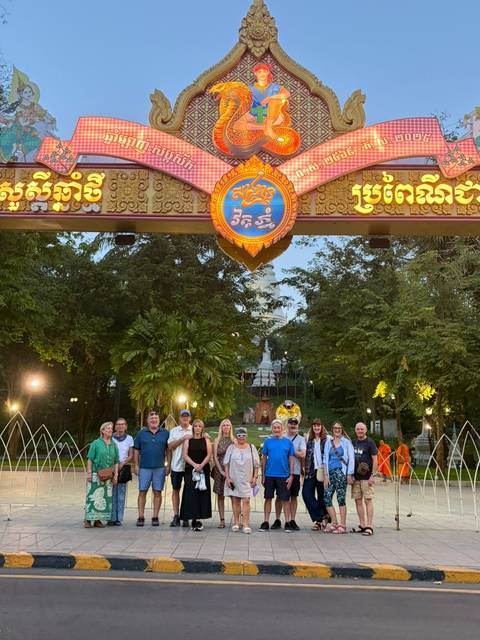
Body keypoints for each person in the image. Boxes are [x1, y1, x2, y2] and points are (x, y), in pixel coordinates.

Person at [133, 411, 170, 527]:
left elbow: (168, 450)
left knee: (157, 492)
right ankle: (141, 516)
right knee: (142, 491)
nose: (154, 420)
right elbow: (136, 450)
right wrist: (136, 465)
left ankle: (155, 516)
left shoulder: (165, 433)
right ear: (147, 420)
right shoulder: (141, 433)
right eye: (151, 418)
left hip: (159, 468)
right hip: (144, 467)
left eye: (156, 418)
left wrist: (168, 465)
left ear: (159, 420)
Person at [235, 63, 291, 139]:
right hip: (258, 114)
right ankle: (265, 128)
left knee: (275, 100)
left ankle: (268, 127)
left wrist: (271, 98)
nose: (262, 74)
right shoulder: (250, 88)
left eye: (264, 71)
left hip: (272, 115)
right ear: (255, 73)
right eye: (259, 72)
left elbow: (287, 94)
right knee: (237, 125)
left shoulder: (275, 87)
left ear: (267, 72)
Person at [259, 419, 295, 532]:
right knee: (268, 498)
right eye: (274, 427)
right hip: (269, 475)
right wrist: (263, 475)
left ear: (282, 429)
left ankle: (287, 522)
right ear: (272, 429)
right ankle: (265, 522)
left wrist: (291, 475)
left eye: (278, 427)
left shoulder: (288, 443)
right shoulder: (268, 442)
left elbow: (291, 459)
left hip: (284, 475)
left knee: (285, 499)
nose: (276, 429)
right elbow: (264, 459)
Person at [271, 417, 306, 531]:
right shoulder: (283, 437)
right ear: (287, 425)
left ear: (297, 426)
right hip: (281, 471)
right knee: (280, 497)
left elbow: (302, 454)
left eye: (295, 424)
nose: (293, 426)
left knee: (293, 496)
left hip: (295, 471)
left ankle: (292, 520)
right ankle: (277, 519)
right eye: (291, 424)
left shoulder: (300, 439)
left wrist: (290, 449)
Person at [224, 427, 260, 534]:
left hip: (247, 478)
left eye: (243, 435)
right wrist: (227, 477)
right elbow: (226, 463)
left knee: (246, 500)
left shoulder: (251, 447)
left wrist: (255, 477)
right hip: (234, 477)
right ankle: (236, 522)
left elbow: (256, 464)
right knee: (235, 501)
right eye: (239, 435)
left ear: (246, 436)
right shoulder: (231, 448)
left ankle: (245, 524)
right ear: (236, 436)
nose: (241, 437)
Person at [84, 422, 119, 528]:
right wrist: (89, 473)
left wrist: (116, 475)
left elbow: (116, 461)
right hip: (95, 474)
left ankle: (98, 520)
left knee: (104, 497)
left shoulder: (114, 444)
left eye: (111, 428)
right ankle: (87, 519)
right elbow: (90, 458)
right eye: (108, 428)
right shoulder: (96, 443)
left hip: (108, 475)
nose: (110, 430)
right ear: (102, 431)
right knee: (92, 497)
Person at [180, 418, 213, 531]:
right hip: (191, 470)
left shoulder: (206, 440)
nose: (197, 428)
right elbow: (185, 455)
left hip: (203, 470)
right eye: (196, 426)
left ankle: (199, 518)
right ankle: (192, 517)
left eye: (200, 426)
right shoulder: (188, 440)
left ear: (202, 428)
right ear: (192, 427)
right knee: (191, 494)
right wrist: (195, 465)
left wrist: (201, 465)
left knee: (201, 494)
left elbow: (209, 454)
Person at [322, 421, 355, 534]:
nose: (337, 430)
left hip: (341, 472)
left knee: (340, 499)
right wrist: (325, 475)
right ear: (332, 429)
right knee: (327, 498)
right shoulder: (328, 443)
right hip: (330, 473)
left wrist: (349, 474)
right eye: (335, 428)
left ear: (342, 429)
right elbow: (325, 459)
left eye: (339, 428)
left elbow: (351, 459)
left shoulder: (346, 442)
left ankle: (343, 524)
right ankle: (334, 522)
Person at [351, 422, 378, 536]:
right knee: (358, 501)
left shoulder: (370, 442)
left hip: (367, 477)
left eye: (362, 429)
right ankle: (362, 524)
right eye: (358, 429)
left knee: (368, 500)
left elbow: (375, 460)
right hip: (356, 476)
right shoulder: (353, 442)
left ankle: (369, 525)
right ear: (355, 430)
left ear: (365, 430)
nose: (360, 431)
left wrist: (373, 475)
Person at [302, 418, 329, 531]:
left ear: (322, 427)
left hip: (322, 470)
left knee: (322, 496)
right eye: (314, 426)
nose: (316, 428)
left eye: (318, 426)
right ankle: (322, 515)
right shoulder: (309, 439)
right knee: (306, 494)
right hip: (311, 470)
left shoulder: (327, 439)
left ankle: (319, 521)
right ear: (312, 428)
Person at [168, 409, 193, 527]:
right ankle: (176, 515)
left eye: (187, 416)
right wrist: (182, 439)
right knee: (175, 490)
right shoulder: (174, 431)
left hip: (189, 466)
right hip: (176, 465)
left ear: (190, 418)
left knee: (189, 492)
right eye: (183, 416)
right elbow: (170, 446)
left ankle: (186, 515)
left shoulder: (194, 429)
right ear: (179, 418)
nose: (185, 418)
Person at [108, 417, 134, 526]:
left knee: (121, 493)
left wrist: (123, 463)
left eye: (123, 424)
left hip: (123, 467)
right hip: (111, 467)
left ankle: (118, 518)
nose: (120, 426)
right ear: (115, 426)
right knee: (110, 493)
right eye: (118, 424)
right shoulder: (110, 437)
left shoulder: (129, 438)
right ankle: (110, 517)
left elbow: (131, 455)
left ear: (126, 426)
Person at [212, 418, 234, 528]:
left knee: (233, 495)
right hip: (219, 470)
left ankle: (236, 519)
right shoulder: (217, 440)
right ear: (221, 427)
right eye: (224, 425)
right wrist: (220, 470)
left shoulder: (234, 440)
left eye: (228, 425)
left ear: (230, 427)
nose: (226, 427)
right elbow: (215, 456)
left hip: (231, 471)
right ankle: (222, 520)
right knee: (220, 495)